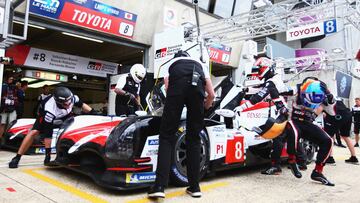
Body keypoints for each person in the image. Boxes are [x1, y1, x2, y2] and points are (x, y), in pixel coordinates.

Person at [148, 50, 215, 199]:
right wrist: (205, 106)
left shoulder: (171, 64)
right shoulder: (200, 64)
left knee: (166, 136)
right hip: (197, 90)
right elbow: (211, 94)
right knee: (194, 139)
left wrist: (174, 107)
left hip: (176, 88)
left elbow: (167, 88)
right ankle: (195, 187)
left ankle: (159, 186)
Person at [235, 57, 302, 178]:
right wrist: (246, 89)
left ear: (266, 68)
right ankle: (300, 161)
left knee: (278, 138)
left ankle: (278, 166)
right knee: (288, 135)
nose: (258, 72)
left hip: (283, 113)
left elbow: (259, 96)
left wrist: (242, 107)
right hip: (284, 112)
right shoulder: (272, 80)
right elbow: (260, 89)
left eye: (259, 69)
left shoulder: (272, 82)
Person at [8, 86, 97, 168]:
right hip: (45, 117)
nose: (68, 104)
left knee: (75, 128)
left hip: (66, 115)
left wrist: (94, 113)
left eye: (69, 101)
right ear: (58, 102)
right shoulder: (49, 109)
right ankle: (17, 157)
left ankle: (73, 154)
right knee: (33, 132)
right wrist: (48, 155)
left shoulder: (72, 98)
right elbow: (48, 134)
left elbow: (82, 105)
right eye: (65, 103)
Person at [285, 77, 336, 186]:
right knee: (293, 130)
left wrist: (331, 100)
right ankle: (292, 161)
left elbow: (332, 113)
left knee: (328, 141)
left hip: (307, 123)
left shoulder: (323, 95)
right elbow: (273, 91)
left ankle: (317, 172)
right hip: (291, 121)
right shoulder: (294, 90)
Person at [323, 99, 359, 165]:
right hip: (347, 115)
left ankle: (330, 159)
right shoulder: (335, 98)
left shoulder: (320, 99)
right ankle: (354, 158)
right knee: (346, 136)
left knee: (329, 136)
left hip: (337, 116)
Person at [0, 76, 18, 143]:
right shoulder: (3, 85)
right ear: (7, 79)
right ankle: (0, 138)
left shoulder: (15, 87)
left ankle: (9, 139)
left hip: (12, 108)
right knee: (2, 123)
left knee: (12, 124)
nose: (12, 80)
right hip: (4, 108)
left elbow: (19, 97)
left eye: (13, 79)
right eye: (11, 79)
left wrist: (17, 87)